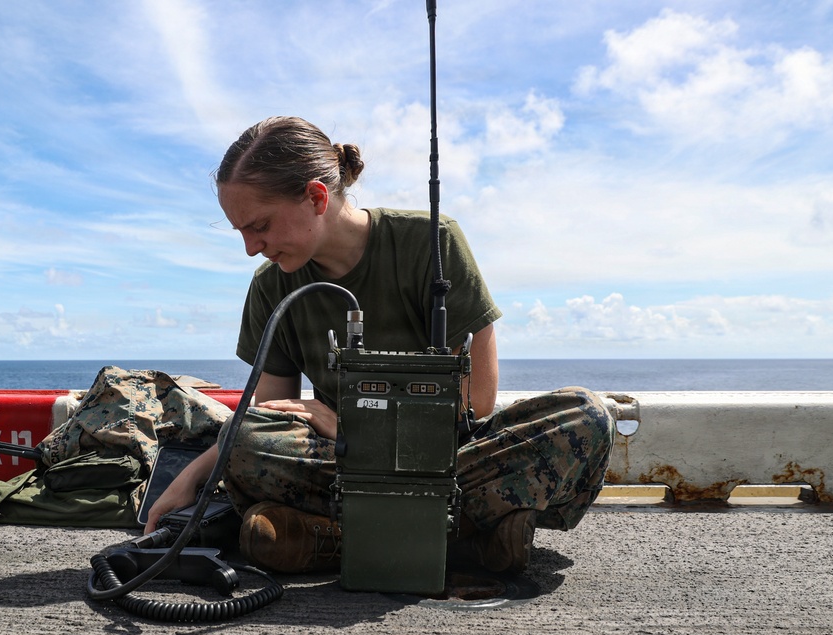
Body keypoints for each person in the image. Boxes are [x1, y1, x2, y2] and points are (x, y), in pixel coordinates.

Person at [144, 116, 615, 575]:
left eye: (260, 225)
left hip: (447, 458)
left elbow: (478, 399)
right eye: (241, 231)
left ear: (315, 196)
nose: (251, 246)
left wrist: (350, 426)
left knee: (586, 416)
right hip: (346, 465)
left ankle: (332, 540)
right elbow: (268, 413)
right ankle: (467, 535)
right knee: (245, 443)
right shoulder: (273, 286)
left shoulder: (430, 243)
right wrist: (193, 477)